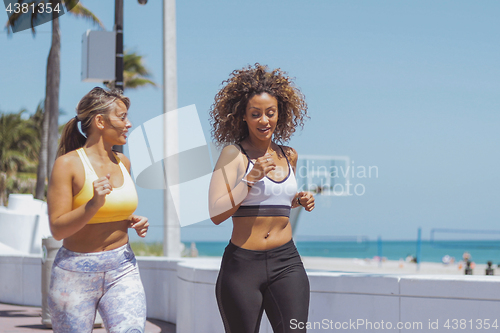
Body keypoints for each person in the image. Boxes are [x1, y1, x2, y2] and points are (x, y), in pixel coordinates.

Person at [208, 64, 314, 333]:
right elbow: (216, 213)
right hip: (242, 267)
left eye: (270, 113)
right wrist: (250, 179)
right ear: (243, 116)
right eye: (255, 114)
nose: (264, 120)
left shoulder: (289, 155)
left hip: (286, 263)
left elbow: (274, 201)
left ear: (280, 114)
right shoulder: (233, 155)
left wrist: (299, 200)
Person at [46, 87, 149, 333]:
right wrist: (92, 204)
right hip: (74, 273)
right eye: (122, 117)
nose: (129, 123)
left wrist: (132, 221)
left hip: (122, 267)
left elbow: (113, 213)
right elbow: (58, 229)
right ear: (100, 121)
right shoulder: (67, 164)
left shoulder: (123, 162)